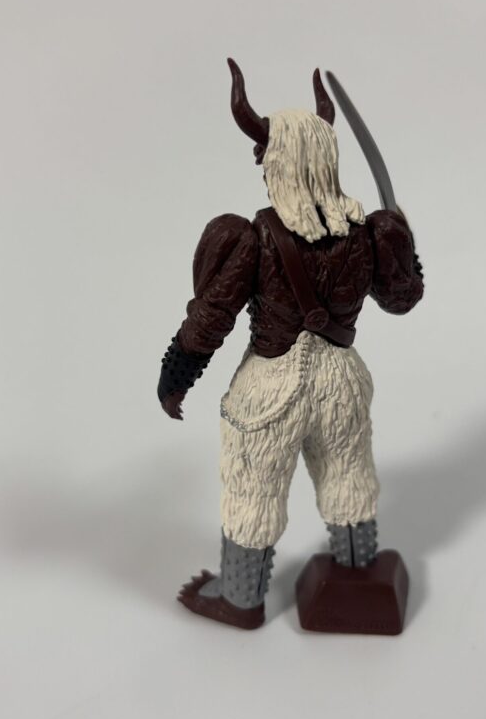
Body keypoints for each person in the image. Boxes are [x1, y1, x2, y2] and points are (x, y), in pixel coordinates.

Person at [157, 60, 424, 630]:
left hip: (270, 390)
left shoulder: (252, 238)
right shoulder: (368, 234)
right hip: (342, 383)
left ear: (275, 164)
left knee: (252, 487)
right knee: (348, 474)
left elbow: (212, 316)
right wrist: (401, 242)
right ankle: (357, 569)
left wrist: (176, 373)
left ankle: (239, 598)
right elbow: (403, 300)